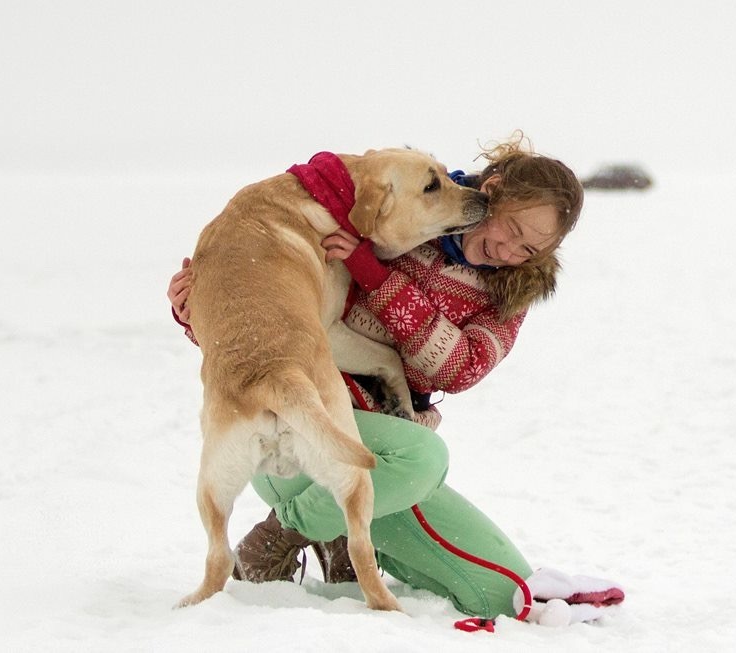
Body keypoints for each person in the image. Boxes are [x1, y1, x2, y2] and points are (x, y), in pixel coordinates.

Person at [167, 135, 623, 626]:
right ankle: (284, 532)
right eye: (511, 227)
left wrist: (374, 276)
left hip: (380, 462)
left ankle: (341, 538)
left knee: (499, 593)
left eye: (529, 248)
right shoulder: (399, 211)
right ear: (492, 191)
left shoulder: (506, 295)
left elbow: (454, 369)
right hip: (301, 437)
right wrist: (194, 311)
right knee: (424, 458)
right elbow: (272, 326)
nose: (509, 249)